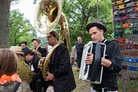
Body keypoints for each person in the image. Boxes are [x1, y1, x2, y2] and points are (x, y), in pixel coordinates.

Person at [85, 20, 122, 92]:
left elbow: (117, 65)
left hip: (108, 89)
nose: (92, 36)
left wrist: (97, 59)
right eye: (91, 34)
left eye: (94, 33)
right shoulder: (91, 48)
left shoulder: (112, 45)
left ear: (102, 31)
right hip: (94, 88)